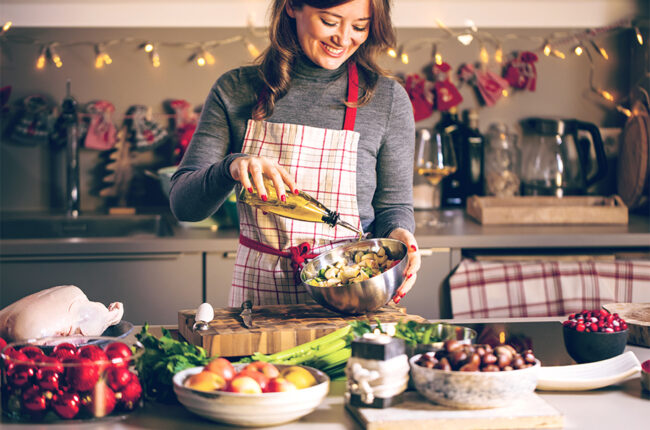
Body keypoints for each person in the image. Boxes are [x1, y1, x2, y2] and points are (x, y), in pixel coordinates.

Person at [170, 0, 420, 307]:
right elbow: (184, 205)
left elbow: (393, 206)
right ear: (292, 6)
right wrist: (231, 167)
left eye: (359, 27)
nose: (343, 38)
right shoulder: (235, 90)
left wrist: (401, 236)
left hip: (355, 297)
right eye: (329, 21)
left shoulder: (387, 100)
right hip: (259, 305)